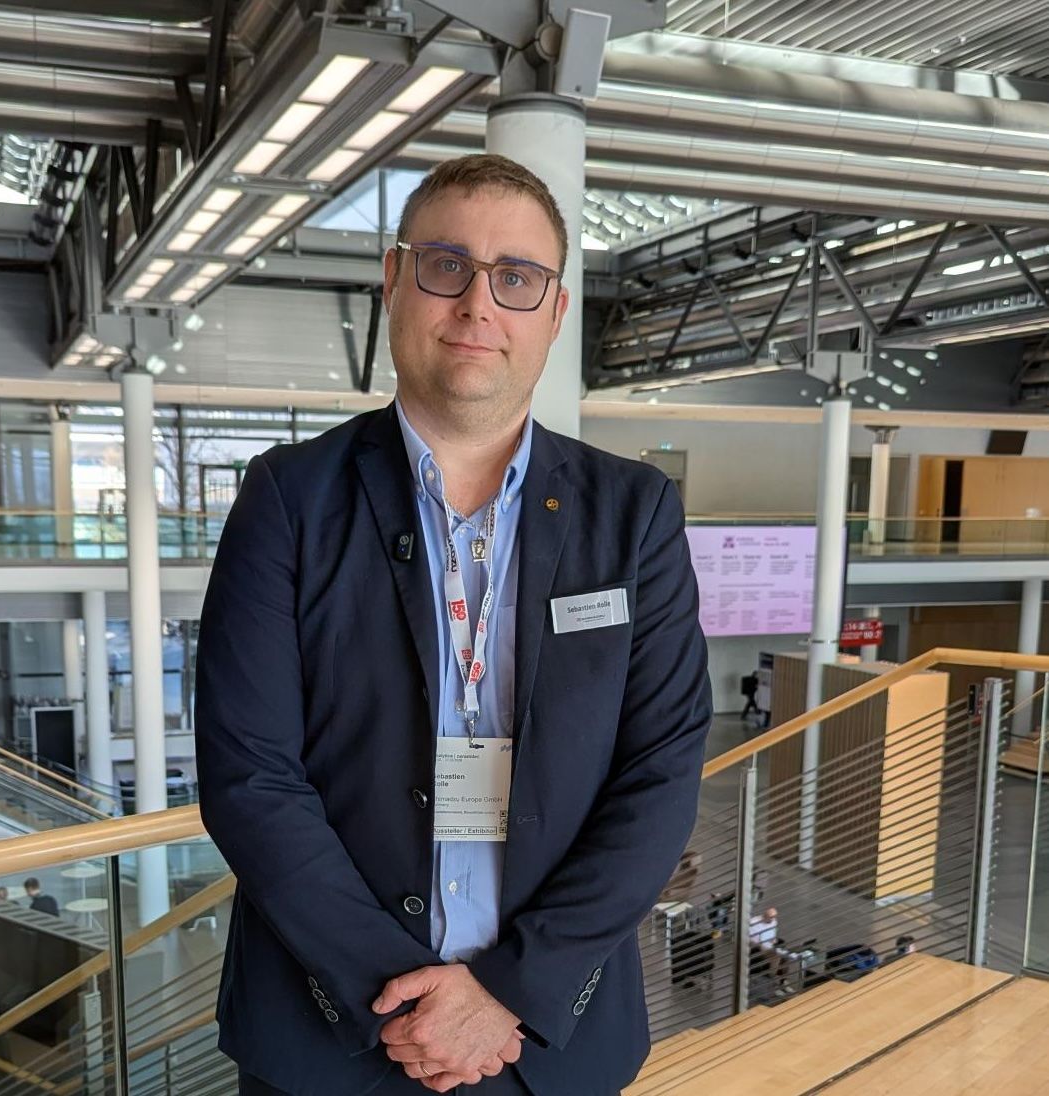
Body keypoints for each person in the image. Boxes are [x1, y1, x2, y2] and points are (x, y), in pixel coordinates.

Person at [195, 153, 712, 1096]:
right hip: (331, 1037)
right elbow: (249, 776)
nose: (479, 305)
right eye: (447, 266)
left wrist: (507, 994)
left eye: (517, 277)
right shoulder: (287, 500)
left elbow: (662, 770)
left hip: (547, 1041)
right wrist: (404, 1002)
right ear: (394, 281)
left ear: (555, 312)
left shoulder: (634, 515)